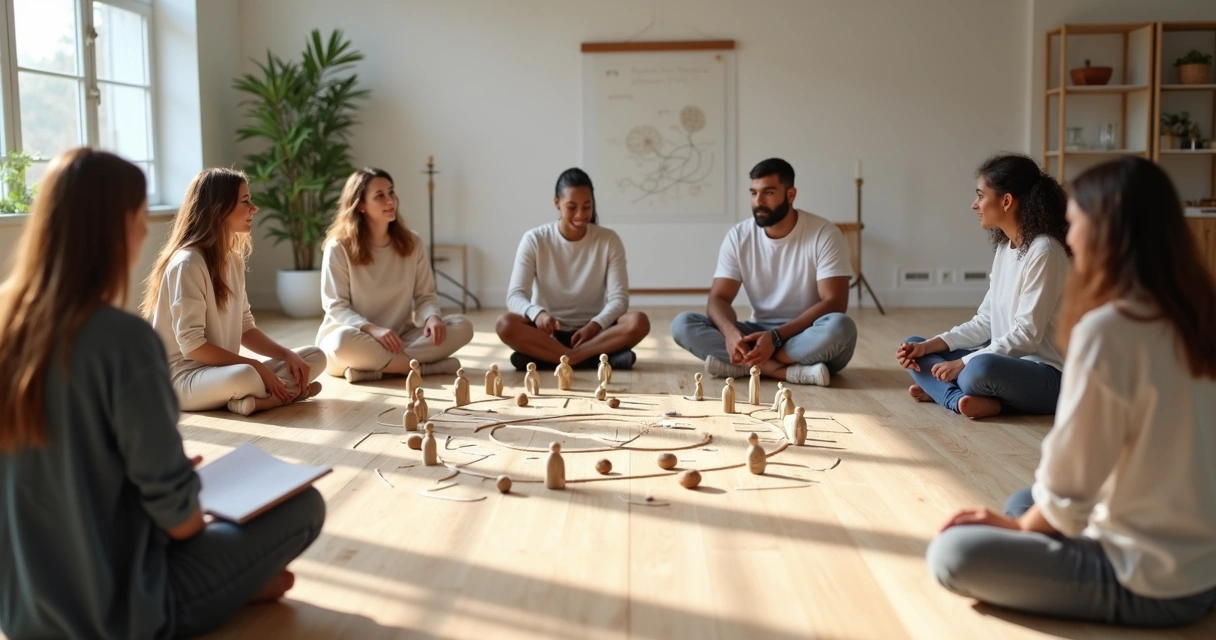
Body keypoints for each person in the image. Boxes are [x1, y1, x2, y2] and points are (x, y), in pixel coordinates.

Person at [0, 149, 325, 639]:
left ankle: (237, 584)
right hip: (121, 614)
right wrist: (177, 487)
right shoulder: (124, 341)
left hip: (22, 612)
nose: (141, 233)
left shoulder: (7, 329)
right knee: (305, 506)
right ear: (115, 231)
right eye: (138, 216)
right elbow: (181, 523)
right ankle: (232, 588)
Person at [926, 157, 1216, 627]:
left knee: (954, 552)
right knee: (1024, 500)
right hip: (1203, 556)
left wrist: (1020, 531)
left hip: (1155, 581)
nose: (1072, 240)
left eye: (1077, 225)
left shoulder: (1110, 330)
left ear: (1109, 234)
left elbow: (1071, 485)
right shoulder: (1197, 316)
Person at [896, 154, 1070, 419]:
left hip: (1048, 375)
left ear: (1006, 201)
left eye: (980, 195)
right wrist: (932, 345)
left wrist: (962, 363)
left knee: (978, 370)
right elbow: (985, 321)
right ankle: (965, 398)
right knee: (915, 348)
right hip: (1009, 363)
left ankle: (952, 395)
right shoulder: (1005, 247)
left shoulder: (1044, 251)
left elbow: (1027, 336)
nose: (974, 205)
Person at [143, 168, 327, 416]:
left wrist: (286, 354)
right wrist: (254, 366)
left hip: (219, 373)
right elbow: (193, 347)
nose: (254, 208)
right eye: (245, 201)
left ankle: (258, 399)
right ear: (219, 208)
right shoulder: (188, 263)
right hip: (181, 379)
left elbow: (245, 327)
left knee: (313, 356)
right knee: (246, 375)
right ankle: (279, 396)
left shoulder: (233, 260)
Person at [671, 157, 856, 386]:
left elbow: (835, 302)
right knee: (683, 324)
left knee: (840, 327)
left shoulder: (824, 234)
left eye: (768, 193)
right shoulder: (739, 236)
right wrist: (730, 334)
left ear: (791, 195)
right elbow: (718, 298)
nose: (758, 201)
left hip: (805, 334)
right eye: (753, 193)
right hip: (758, 333)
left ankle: (744, 366)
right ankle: (785, 372)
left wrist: (776, 337)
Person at [316, 168, 473, 382]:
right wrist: (373, 330)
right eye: (380, 196)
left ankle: (377, 370)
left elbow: (425, 296)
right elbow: (336, 306)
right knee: (341, 342)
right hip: (355, 337)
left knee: (462, 326)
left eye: (391, 193)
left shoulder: (412, 242)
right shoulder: (339, 247)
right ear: (360, 204)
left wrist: (432, 317)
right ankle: (425, 368)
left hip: (400, 338)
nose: (390, 200)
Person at [497, 168, 650, 371]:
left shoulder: (608, 240)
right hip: (548, 334)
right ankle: (593, 359)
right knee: (504, 324)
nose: (580, 215)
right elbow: (515, 296)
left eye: (587, 206)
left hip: (595, 333)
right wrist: (538, 314)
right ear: (556, 203)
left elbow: (619, 299)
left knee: (639, 322)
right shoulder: (534, 239)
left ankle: (558, 359)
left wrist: (595, 325)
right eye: (572, 207)